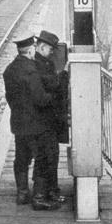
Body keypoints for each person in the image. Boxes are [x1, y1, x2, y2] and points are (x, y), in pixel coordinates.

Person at [3, 35, 60, 210]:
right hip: (36, 125)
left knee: (21, 158)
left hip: (18, 124)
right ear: (29, 51)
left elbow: (9, 97)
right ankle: (39, 198)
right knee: (42, 159)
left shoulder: (9, 70)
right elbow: (40, 99)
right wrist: (54, 97)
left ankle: (22, 194)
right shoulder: (31, 71)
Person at [34, 30, 68, 203]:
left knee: (46, 156)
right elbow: (52, 84)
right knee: (49, 156)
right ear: (41, 47)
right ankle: (47, 193)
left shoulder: (43, 62)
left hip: (46, 120)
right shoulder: (39, 65)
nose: (52, 52)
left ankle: (43, 193)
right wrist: (63, 75)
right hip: (45, 120)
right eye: (50, 49)